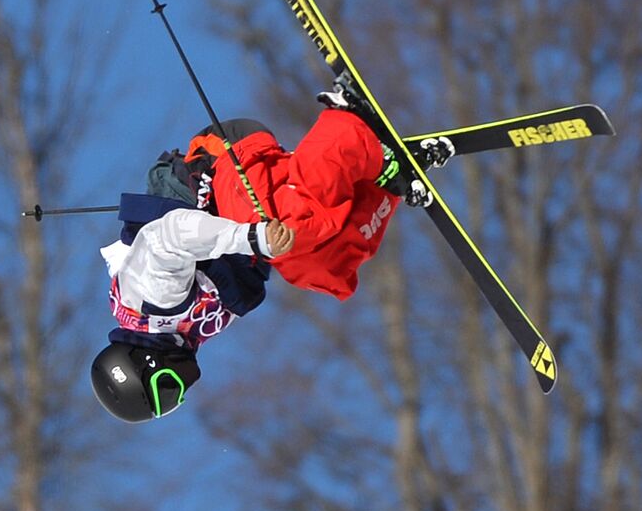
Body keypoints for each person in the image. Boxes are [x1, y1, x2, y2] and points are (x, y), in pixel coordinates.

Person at [89, 83, 452, 422]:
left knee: (289, 222)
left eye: (166, 387)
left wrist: (252, 238)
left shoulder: (148, 300)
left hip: (221, 163)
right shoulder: (181, 330)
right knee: (323, 269)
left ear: (143, 362)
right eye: (172, 402)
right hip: (245, 206)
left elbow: (171, 234)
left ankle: (349, 120)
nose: (180, 389)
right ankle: (382, 174)